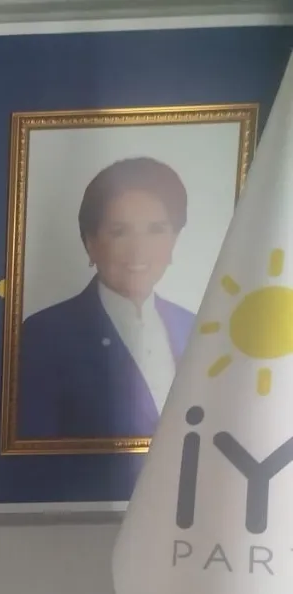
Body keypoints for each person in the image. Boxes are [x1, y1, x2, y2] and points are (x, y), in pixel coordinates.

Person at [18, 157, 197, 440]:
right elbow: (32, 454)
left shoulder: (195, 329)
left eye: (156, 230)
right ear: (90, 243)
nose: (139, 249)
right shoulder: (44, 335)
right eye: (119, 232)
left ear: (174, 239)